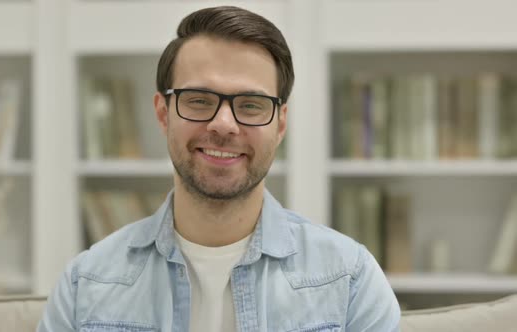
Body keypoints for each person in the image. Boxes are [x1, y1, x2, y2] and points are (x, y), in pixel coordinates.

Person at [38, 5, 400, 332]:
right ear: (163, 114)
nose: (224, 124)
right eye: (199, 101)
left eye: (251, 104)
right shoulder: (84, 286)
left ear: (280, 124)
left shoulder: (350, 280)